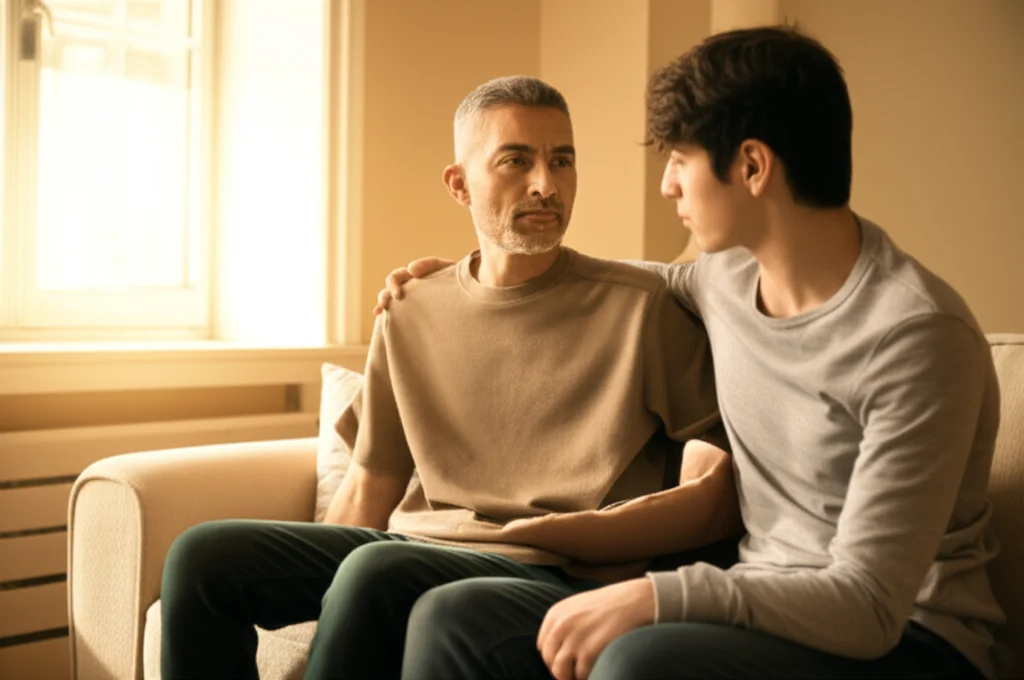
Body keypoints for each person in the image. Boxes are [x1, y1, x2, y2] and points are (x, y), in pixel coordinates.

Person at [375, 26, 1008, 680]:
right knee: (455, 617)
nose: (668, 186)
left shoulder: (917, 337)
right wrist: (464, 274)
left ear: (752, 167)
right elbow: (592, 278)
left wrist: (660, 594)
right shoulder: (723, 279)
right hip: (764, 603)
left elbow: (869, 604)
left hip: (911, 638)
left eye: (680, 159)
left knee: (638, 660)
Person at [159, 76, 739, 680]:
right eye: (516, 160)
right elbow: (368, 488)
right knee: (202, 557)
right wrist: (321, 590)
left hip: (549, 569)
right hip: (412, 551)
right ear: (460, 184)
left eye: (561, 160)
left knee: (376, 572)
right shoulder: (409, 308)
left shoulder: (642, 308)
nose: (546, 184)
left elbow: (718, 486)